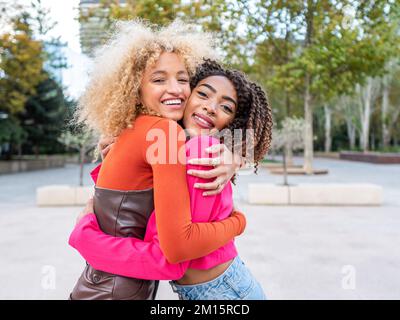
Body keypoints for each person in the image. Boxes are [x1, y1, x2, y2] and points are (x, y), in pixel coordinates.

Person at [68, 20, 246, 300]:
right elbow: (171, 256)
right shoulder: (163, 131)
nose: (175, 89)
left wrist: (236, 156)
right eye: (159, 79)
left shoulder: (131, 131)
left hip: (95, 288)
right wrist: (239, 222)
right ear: (135, 87)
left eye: (183, 79)